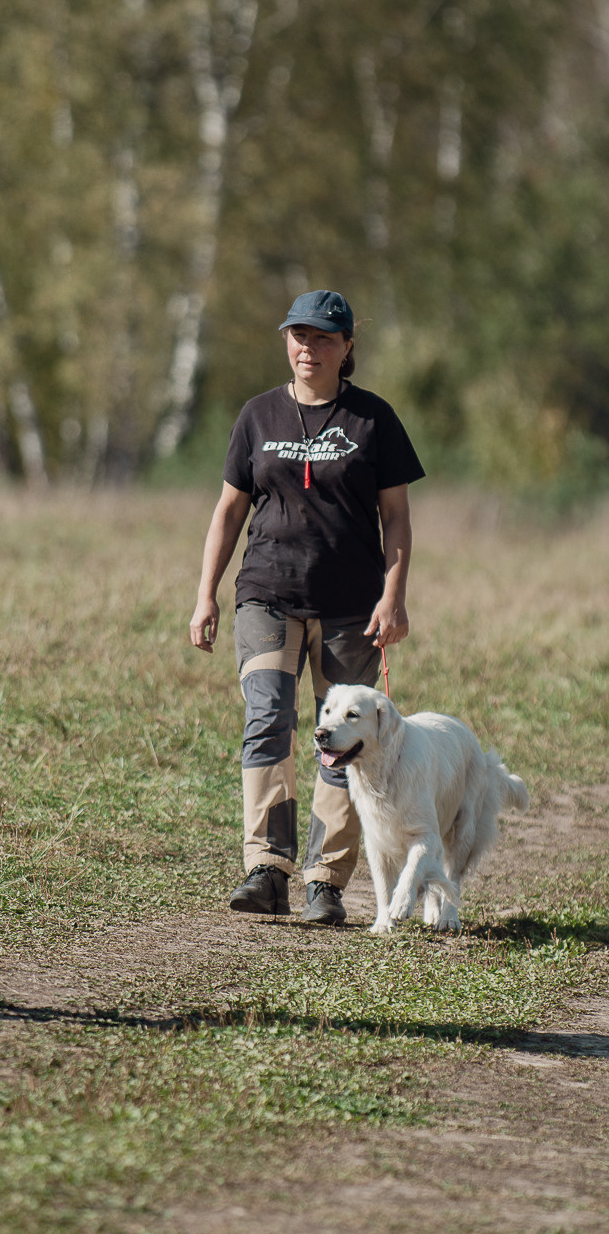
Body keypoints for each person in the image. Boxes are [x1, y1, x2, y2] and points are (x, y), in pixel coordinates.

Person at [189, 289, 425, 925]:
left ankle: (325, 879)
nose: (308, 348)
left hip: (351, 606)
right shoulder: (257, 416)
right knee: (268, 718)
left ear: (347, 347)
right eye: (298, 335)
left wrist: (393, 595)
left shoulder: (373, 420)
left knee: (344, 738)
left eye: (323, 338)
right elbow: (229, 510)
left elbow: (396, 517)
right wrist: (206, 592)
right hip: (266, 593)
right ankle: (266, 867)